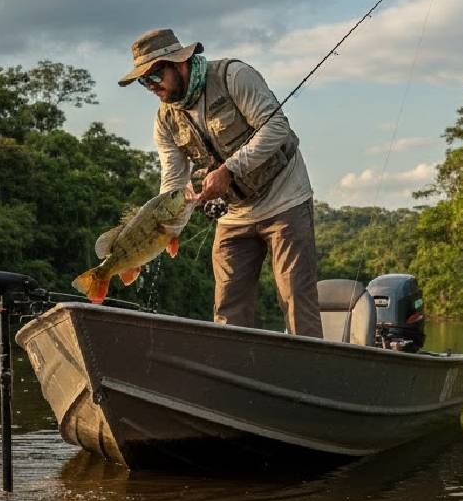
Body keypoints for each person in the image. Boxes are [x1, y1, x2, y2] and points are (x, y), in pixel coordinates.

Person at [118, 28, 323, 337]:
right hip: (234, 214)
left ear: (180, 63)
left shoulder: (234, 76)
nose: (151, 87)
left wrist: (229, 169)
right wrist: (154, 234)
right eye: (144, 82)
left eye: (155, 77)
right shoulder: (165, 120)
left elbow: (277, 127)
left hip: (285, 199)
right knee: (228, 306)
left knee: (295, 297)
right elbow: (173, 180)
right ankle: (236, 378)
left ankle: (312, 378)